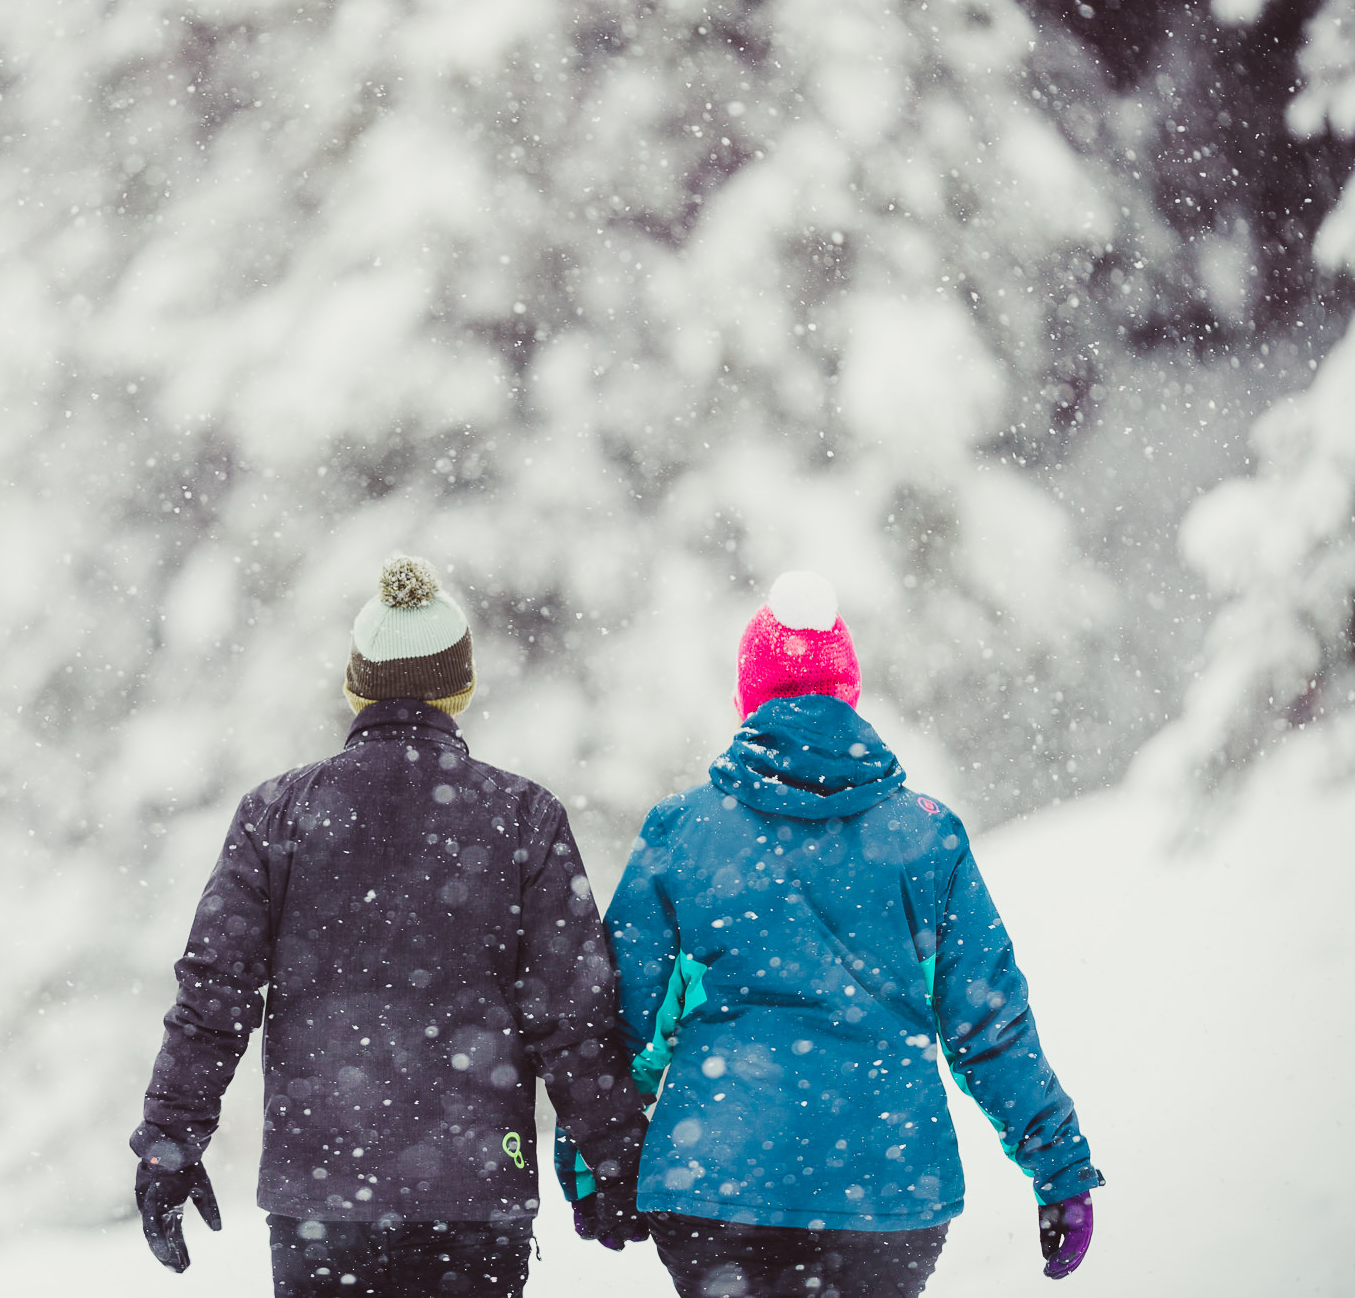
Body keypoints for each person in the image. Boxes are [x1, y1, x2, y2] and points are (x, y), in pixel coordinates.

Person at [560, 571, 1102, 1296]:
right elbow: (988, 1023)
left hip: (716, 1181)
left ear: (749, 698)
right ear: (848, 693)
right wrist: (1058, 1165)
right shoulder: (925, 837)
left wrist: (593, 1153)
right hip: (886, 1186)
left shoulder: (684, 831)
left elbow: (620, 1017)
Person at [131, 555, 652, 1296]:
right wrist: (613, 1153)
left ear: (357, 686)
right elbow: (572, 1013)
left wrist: (171, 1137)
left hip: (324, 1194)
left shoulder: (278, 813)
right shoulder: (522, 815)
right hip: (475, 1190)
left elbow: (215, 992)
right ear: (460, 686)